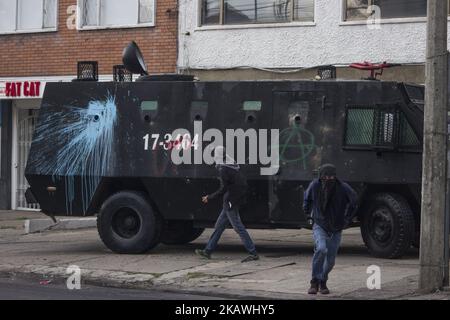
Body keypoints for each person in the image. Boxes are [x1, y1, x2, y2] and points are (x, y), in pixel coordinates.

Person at [195, 146, 259, 263]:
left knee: (238, 227)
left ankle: (253, 252)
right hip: (232, 199)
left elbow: (223, 188)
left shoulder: (224, 169)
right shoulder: (230, 163)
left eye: (215, 155)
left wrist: (209, 197)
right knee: (219, 226)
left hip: (231, 201)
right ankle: (207, 251)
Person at [303, 163, 357, 295]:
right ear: (321, 177)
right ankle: (314, 281)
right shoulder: (315, 186)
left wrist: (347, 219)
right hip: (319, 224)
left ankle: (323, 280)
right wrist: (309, 214)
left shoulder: (343, 188)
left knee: (331, 261)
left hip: (336, 227)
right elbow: (307, 200)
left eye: (331, 177)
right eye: (325, 177)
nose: (328, 179)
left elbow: (354, 201)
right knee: (321, 249)